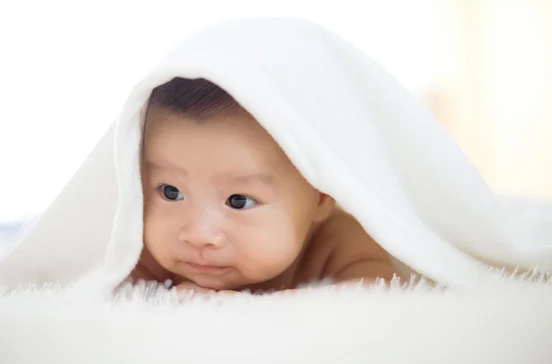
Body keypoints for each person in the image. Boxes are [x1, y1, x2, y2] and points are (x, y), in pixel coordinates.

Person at [129, 77, 400, 294]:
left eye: (239, 200)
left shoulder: (335, 242)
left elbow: (384, 290)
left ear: (321, 196)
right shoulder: (144, 250)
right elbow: (109, 296)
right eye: (171, 192)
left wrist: (292, 308)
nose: (198, 235)